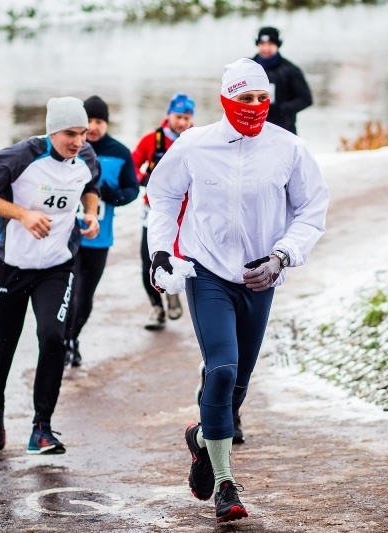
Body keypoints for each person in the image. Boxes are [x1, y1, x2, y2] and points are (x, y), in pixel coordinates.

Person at [146, 58, 329, 523]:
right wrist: (161, 251)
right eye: (244, 99)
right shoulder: (194, 145)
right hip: (207, 273)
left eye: (261, 98)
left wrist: (282, 256)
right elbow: (162, 194)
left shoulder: (288, 149)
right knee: (222, 369)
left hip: (260, 277)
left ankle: (204, 441)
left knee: (238, 387)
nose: (254, 107)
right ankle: (225, 485)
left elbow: (312, 210)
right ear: (226, 99)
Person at [0, 96, 100, 454]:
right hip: (11, 266)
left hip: (57, 265)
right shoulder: (21, 157)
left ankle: (42, 428)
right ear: (52, 130)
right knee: (4, 342)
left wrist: (92, 213)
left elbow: (90, 186)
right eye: (70, 133)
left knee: (54, 336)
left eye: (83, 133)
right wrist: (22, 214)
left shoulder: (85, 157)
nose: (79, 141)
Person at [63, 95, 140, 368]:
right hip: (67, 236)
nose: (93, 127)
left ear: (106, 123)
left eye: (99, 121)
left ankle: (73, 338)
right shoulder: (70, 147)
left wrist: (113, 195)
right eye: (89, 121)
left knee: (85, 298)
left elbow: (132, 189)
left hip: (100, 239)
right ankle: (64, 344)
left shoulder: (119, 152)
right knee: (68, 294)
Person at [132, 93, 195, 330]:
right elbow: (132, 165)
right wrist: (143, 178)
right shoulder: (151, 140)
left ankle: (173, 290)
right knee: (147, 258)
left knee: (181, 255)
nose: (182, 123)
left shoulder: (196, 140)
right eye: (178, 117)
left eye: (187, 118)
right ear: (168, 115)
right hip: (154, 208)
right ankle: (156, 308)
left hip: (186, 212)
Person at [251, 26, 312, 135]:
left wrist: (280, 109)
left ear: (278, 45)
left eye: (270, 44)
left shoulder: (291, 70)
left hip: (284, 129)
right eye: (262, 44)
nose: (266, 48)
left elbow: (306, 99)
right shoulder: (247, 67)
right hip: (253, 127)